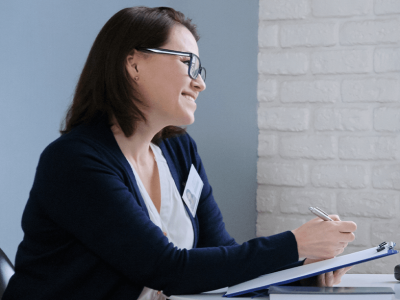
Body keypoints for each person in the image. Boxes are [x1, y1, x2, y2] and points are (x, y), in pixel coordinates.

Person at [3, 6, 357, 300]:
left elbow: (219, 255)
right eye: (187, 62)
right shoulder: (74, 161)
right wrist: (294, 244)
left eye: (199, 68)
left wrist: (304, 268)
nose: (199, 82)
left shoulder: (179, 150)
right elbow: (166, 268)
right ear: (134, 63)